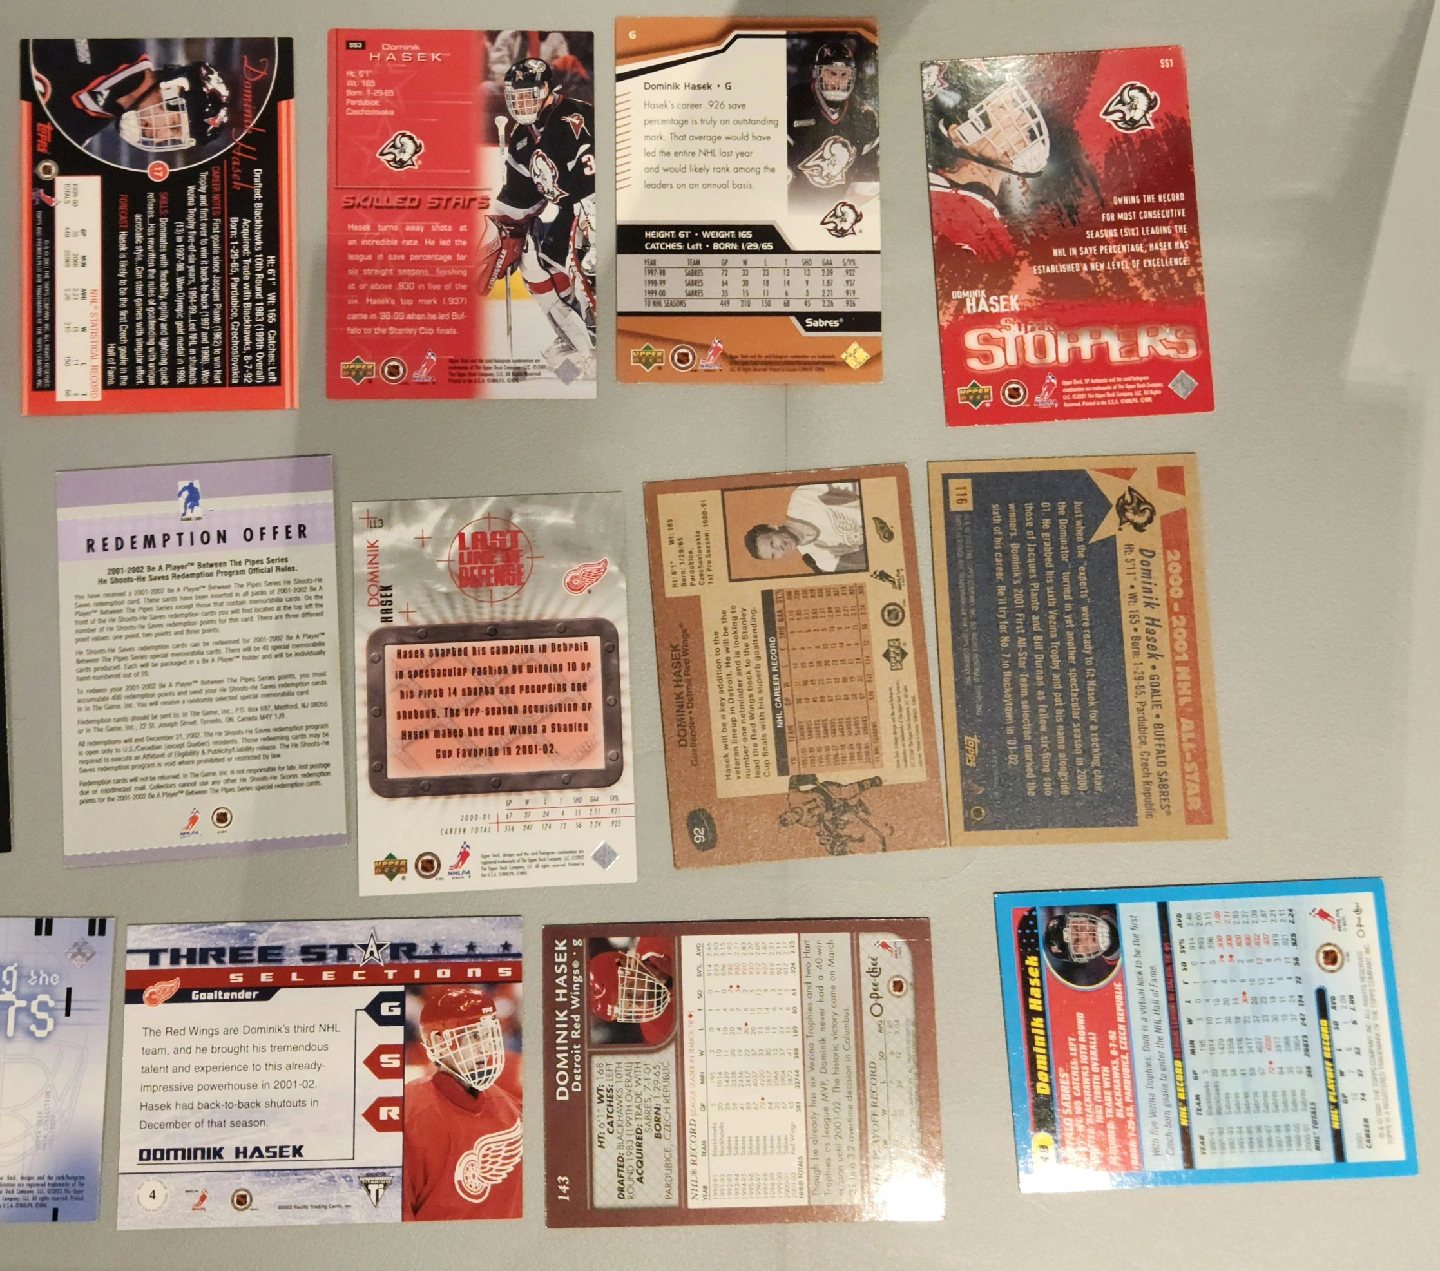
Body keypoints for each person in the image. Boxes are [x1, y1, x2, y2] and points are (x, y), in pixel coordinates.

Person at [484, 55, 596, 380]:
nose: (521, 104)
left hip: (597, 205)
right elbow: (518, 198)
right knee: (534, 258)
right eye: (515, 97)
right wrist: (503, 232)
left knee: (586, 261)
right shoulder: (521, 140)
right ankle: (579, 343)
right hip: (569, 212)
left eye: (528, 95)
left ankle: (605, 339)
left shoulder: (576, 117)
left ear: (548, 90)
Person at [403, 986, 522, 1220]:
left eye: (488, 1035)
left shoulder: (513, 1110)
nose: (485, 1047)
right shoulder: (410, 1115)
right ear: (439, 1041)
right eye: (474, 1036)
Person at [30, 39, 229, 153]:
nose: (159, 138)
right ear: (173, 90)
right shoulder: (115, 41)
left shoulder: (82, 132)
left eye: (172, 136)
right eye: (173, 125)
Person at [787, 38, 879, 211]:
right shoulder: (795, 101)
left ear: (852, 76)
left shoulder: (864, 115)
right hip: (796, 203)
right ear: (819, 74)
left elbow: (869, 175)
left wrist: (846, 208)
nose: (838, 81)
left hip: (839, 207)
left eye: (844, 74)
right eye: (832, 73)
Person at [743, 482, 867, 574]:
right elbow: (870, 559)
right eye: (773, 555)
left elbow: (858, 484)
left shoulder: (802, 499)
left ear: (773, 527)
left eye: (772, 543)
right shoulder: (818, 560)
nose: (780, 550)